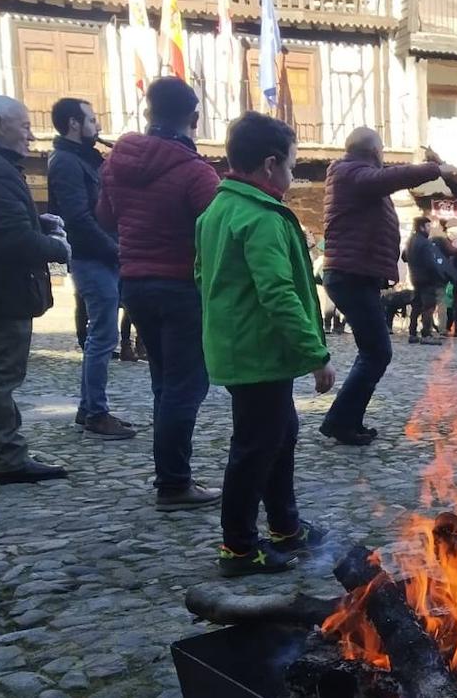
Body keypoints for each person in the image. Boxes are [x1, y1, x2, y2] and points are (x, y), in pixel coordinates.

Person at [195, 112, 336, 577]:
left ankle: (284, 526)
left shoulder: (217, 210)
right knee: (256, 448)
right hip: (258, 353)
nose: (293, 176)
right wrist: (315, 354)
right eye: (292, 166)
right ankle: (238, 547)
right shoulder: (261, 218)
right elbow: (278, 293)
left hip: (241, 348)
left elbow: (201, 275)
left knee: (280, 435)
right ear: (271, 165)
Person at [98, 77, 221, 511]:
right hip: (181, 286)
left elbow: (105, 217)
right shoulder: (196, 172)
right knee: (186, 385)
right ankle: (174, 484)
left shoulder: (116, 163)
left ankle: (170, 474)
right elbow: (217, 230)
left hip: (134, 283)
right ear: (194, 118)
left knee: (164, 382)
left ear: (148, 112)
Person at [0, 96, 70, 484]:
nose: (31, 135)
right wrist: (58, 247)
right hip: (1, 291)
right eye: (24, 126)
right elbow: (12, 241)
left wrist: (36, 220)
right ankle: (8, 456)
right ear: (0, 123)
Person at [320, 128, 457, 445]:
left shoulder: (355, 176)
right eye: (381, 150)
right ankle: (341, 422)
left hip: (356, 275)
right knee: (377, 352)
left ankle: (346, 420)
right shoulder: (350, 173)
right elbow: (391, 177)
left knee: (373, 352)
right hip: (351, 276)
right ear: (374, 151)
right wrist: (436, 169)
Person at [48, 97, 135, 441]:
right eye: (91, 119)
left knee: (102, 334)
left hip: (101, 255)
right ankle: (96, 413)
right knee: (102, 337)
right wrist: (115, 251)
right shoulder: (66, 161)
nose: (97, 125)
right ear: (74, 123)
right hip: (92, 257)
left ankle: (89, 409)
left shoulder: (83, 157)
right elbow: (78, 218)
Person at [405, 216, 445, 344]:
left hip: (415, 277)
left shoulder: (411, 240)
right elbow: (430, 263)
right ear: (421, 227)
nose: (429, 229)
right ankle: (426, 334)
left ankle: (412, 333)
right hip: (427, 279)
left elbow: (404, 256)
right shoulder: (424, 242)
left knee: (416, 305)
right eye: (428, 226)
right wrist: (440, 275)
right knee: (428, 306)